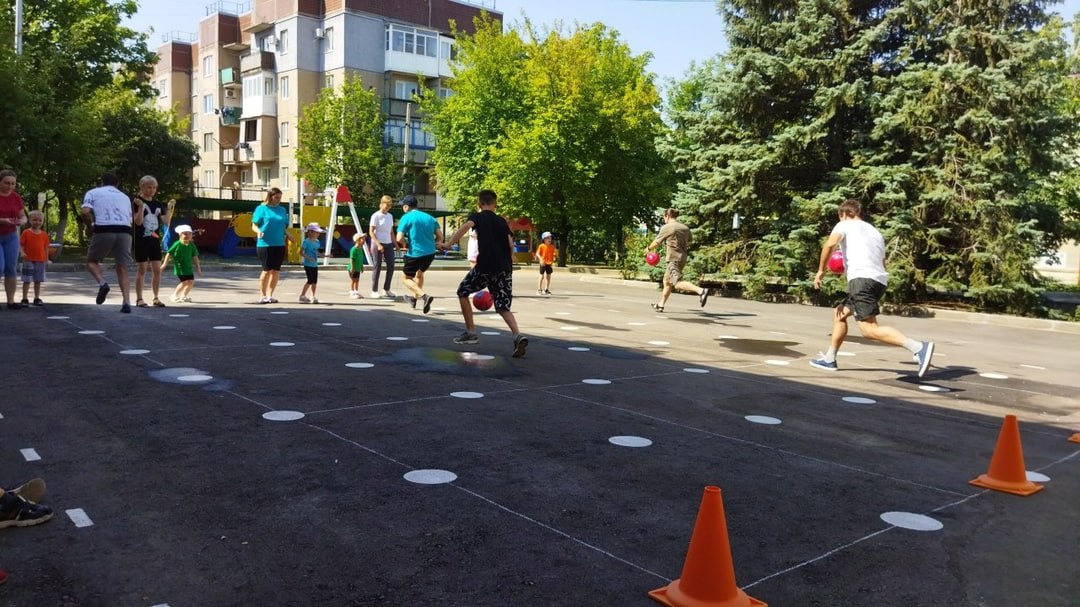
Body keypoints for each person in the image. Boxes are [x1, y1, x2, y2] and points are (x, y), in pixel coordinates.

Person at [809, 198, 935, 377]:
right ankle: (830, 359)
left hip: (862, 281)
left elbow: (830, 245)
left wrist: (821, 270)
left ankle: (919, 348)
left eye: (840, 216)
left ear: (844, 214)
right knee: (840, 313)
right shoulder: (875, 232)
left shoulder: (844, 225)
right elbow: (882, 261)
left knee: (869, 329)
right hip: (878, 281)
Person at [440, 189, 528, 358]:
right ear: (495, 204)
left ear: (479, 204)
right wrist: (511, 257)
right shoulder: (502, 221)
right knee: (502, 305)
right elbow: (510, 242)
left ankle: (471, 332)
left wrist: (449, 243)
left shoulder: (477, 216)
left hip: (485, 266)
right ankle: (517, 335)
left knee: (463, 291)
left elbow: (466, 226)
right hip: (504, 268)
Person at [81, 172, 134, 312]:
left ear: (101, 182)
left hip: (104, 229)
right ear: (118, 183)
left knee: (92, 261)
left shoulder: (93, 192)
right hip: (125, 231)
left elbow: (85, 211)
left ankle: (103, 283)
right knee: (122, 267)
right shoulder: (125, 197)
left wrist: (89, 227)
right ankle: (126, 302)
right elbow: (130, 218)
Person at [646, 208, 710, 313]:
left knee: (677, 283)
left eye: (664, 217)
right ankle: (660, 305)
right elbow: (689, 241)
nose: (664, 219)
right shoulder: (685, 228)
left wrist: (648, 249)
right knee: (667, 281)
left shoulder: (667, 227)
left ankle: (701, 291)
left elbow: (656, 242)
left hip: (673, 259)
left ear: (667, 216)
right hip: (682, 257)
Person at [132, 175, 175, 308]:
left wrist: (169, 209)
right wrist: (140, 208)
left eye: (154, 187)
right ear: (142, 187)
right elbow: (137, 222)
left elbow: (166, 221)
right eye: (149, 187)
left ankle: (155, 297)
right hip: (141, 239)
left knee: (157, 269)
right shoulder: (136, 201)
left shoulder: (157, 204)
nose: (152, 190)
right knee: (142, 269)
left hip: (154, 239)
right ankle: (139, 299)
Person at [395, 195, 442, 314]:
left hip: (415, 253)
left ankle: (424, 296)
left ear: (406, 206)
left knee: (406, 278)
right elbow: (440, 237)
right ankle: (414, 299)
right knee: (419, 274)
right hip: (430, 253)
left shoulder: (406, 217)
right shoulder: (430, 218)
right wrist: (433, 244)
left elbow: (399, 238)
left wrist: (407, 243)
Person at [251, 188, 295, 304]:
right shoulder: (261, 209)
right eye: (276, 197)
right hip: (265, 244)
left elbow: (283, 227)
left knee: (276, 271)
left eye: (280, 197)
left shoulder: (282, 210)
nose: (278, 200)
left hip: (279, 244)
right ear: (270, 197)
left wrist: (288, 234)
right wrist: (258, 231)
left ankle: (270, 295)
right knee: (267, 270)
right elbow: (254, 225)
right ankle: (262, 295)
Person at [0, 169, 28, 310]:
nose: (10, 186)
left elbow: (22, 215)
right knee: (0, 266)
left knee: (11, 268)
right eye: (6, 183)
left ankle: (10, 301)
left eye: (13, 184)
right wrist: (2, 220)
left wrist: (22, 221)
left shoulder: (15, 197)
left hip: (11, 236)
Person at [161, 224, 201, 303]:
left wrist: (198, 268)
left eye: (189, 234)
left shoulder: (192, 245)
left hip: (188, 268)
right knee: (184, 282)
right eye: (185, 234)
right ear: (180, 234)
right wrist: (164, 264)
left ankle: (184, 296)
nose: (187, 236)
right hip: (180, 268)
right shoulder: (177, 244)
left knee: (191, 283)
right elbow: (169, 253)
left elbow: (195, 257)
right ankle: (174, 295)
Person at [18, 210, 49, 307]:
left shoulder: (44, 234)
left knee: (38, 280)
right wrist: (22, 253)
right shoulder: (26, 232)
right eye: (34, 220)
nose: (37, 222)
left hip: (40, 260)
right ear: (30, 221)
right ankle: (24, 298)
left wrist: (46, 259)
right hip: (28, 260)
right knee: (27, 280)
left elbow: (46, 248)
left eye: (40, 220)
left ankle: (36, 298)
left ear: (42, 221)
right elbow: (21, 245)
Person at [368, 194, 396, 299]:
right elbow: (371, 232)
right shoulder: (375, 216)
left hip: (388, 243)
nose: (388, 207)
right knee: (377, 266)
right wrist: (378, 244)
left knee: (391, 266)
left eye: (389, 205)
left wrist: (396, 244)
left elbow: (391, 232)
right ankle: (374, 290)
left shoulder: (390, 216)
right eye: (386, 205)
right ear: (381, 204)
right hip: (377, 243)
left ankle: (386, 289)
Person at [299, 222, 324, 303]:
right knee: (310, 280)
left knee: (314, 281)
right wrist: (308, 258)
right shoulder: (306, 242)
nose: (318, 234)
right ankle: (302, 295)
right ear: (310, 232)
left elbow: (316, 252)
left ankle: (313, 296)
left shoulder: (317, 242)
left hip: (314, 264)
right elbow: (301, 252)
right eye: (316, 232)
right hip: (308, 265)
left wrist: (324, 255)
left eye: (318, 232)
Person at [347, 232, 366, 299]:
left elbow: (360, 259)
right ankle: (352, 292)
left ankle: (356, 291)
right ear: (357, 240)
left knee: (357, 280)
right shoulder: (353, 249)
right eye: (362, 239)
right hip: (353, 268)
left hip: (357, 268)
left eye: (364, 239)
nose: (364, 240)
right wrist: (352, 267)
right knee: (353, 280)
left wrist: (362, 266)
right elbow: (352, 259)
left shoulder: (360, 249)